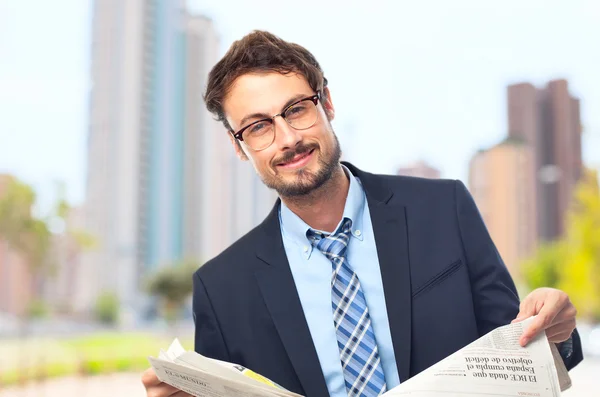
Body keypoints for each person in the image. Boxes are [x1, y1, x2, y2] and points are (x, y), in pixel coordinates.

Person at [142, 31, 582, 397]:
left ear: (326, 104)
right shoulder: (221, 289)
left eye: (296, 109)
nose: (288, 138)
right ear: (239, 147)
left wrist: (556, 332)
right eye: (258, 126)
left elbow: (520, 356)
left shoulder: (442, 210)